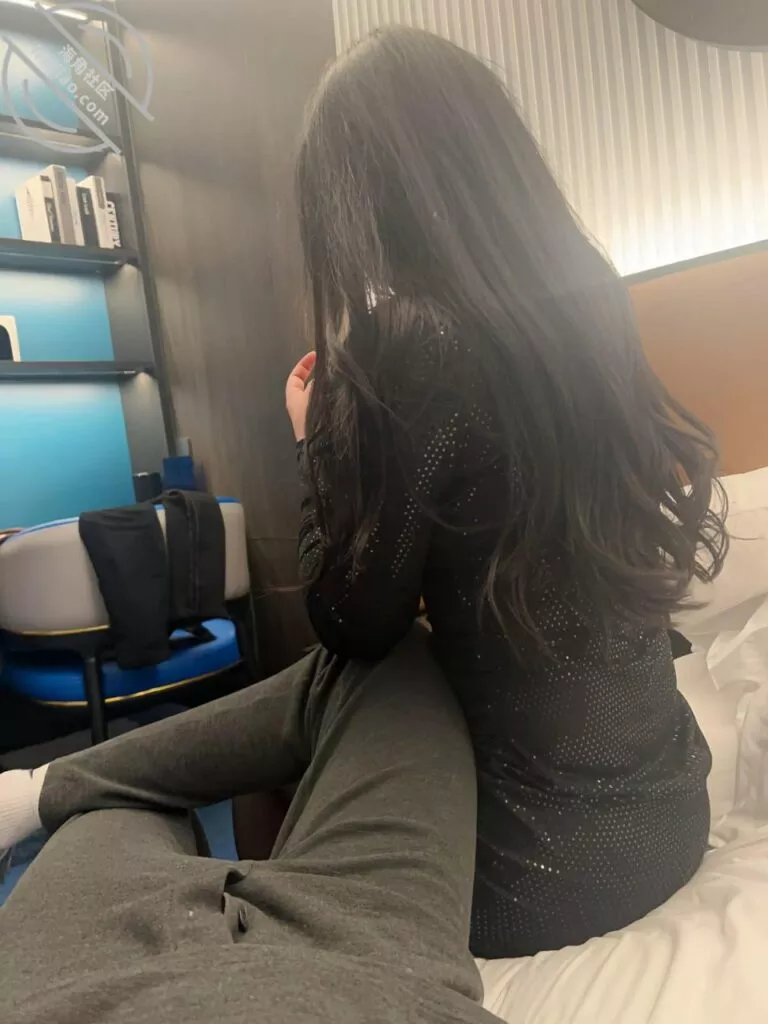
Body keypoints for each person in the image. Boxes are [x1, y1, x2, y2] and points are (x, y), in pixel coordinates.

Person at [0, 19, 727, 990]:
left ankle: (67, 803)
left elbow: (352, 620)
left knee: (341, 686)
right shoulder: (589, 300)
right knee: (384, 673)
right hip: (671, 815)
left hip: (535, 872)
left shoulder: (414, 343)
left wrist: (314, 440)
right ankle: (44, 793)